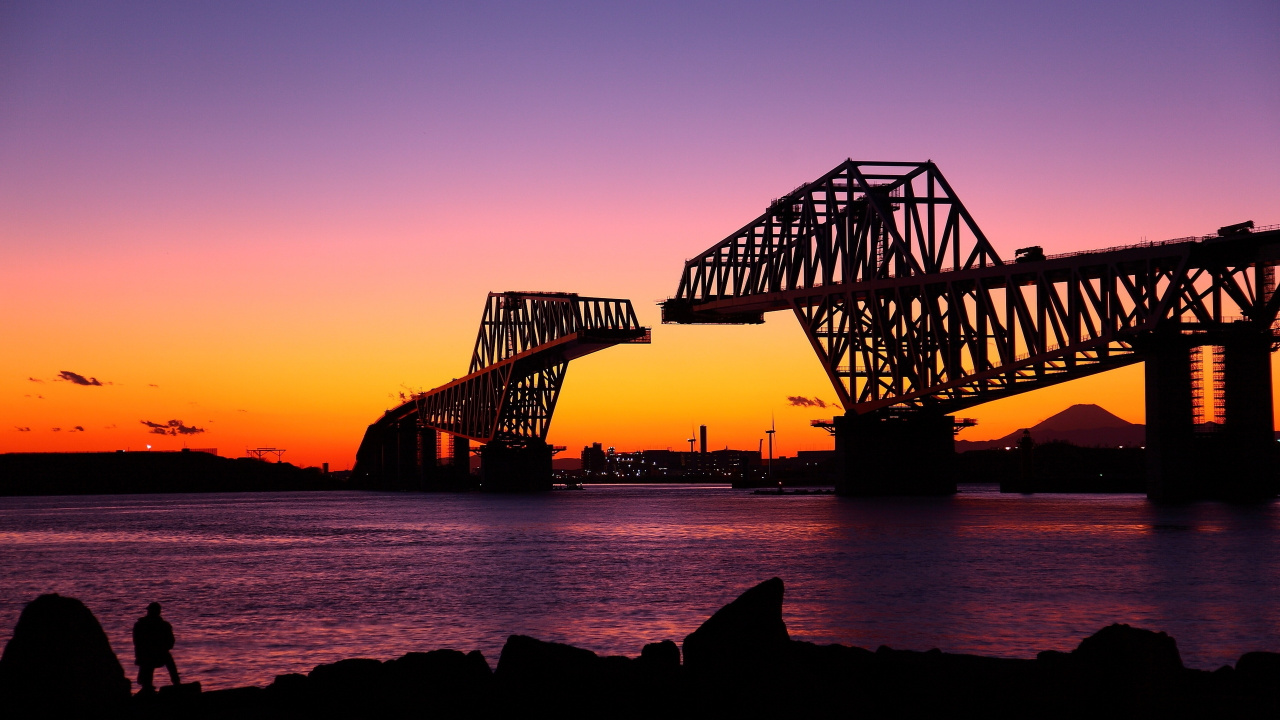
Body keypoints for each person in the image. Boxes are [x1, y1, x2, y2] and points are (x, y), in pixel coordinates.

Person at [132, 602, 180, 692]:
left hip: (150, 654)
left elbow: (137, 643)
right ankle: (176, 682)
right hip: (151, 654)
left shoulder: (140, 624)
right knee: (167, 661)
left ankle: (147, 686)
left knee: (159, 660)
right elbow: (171, 642)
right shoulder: (163, 625)